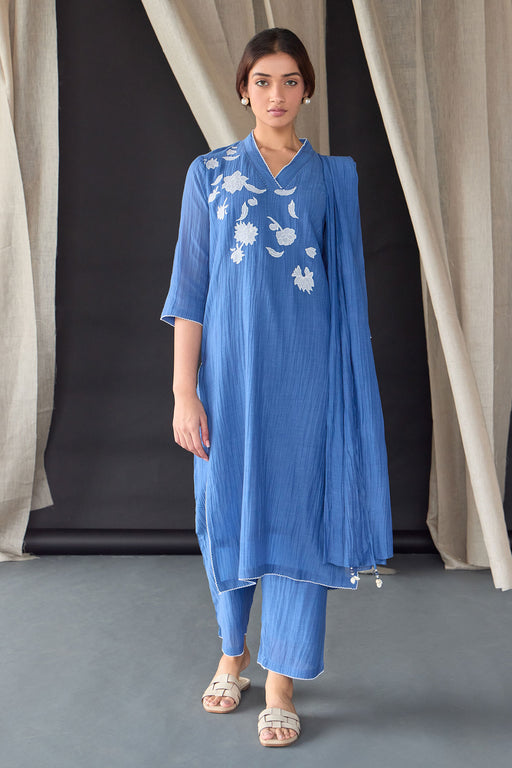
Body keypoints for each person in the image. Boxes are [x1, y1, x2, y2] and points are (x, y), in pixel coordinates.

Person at [161, 28, 393, 747]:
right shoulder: (208, 174)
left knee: (298, 519)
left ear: (307, 90)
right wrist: (184, 393)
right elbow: (190, 291)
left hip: (306, 383)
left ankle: (282, 679)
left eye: (291, 80)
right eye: (263, 80)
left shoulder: (334, 178)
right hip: (227, 385)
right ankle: (232, 653)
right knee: (224, 512)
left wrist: (346, 393)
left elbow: (346, 291)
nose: (277, 94)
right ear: (243, 90)